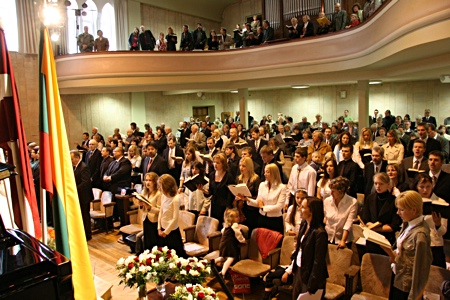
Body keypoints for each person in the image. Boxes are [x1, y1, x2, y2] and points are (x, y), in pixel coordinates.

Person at [382, 191, 432, 300]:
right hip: (398, 277)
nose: (398, 213)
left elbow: (420, 271)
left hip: (406, 287)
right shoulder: (408, 223)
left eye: (402, 210)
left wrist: (414, 297)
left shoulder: (420, 236)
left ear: (414, 210)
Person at [290, 197, 328, 300]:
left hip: (310, 276)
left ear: (312, 211)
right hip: (299, 269)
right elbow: (299, 248)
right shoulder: (304, 224)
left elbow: (318, 261)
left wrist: (312, 285)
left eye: (303, 207)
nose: (299, 209)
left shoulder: (320, 233)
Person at [362, 172, 402, 255]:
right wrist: (370, 225)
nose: (377, 186)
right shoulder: (370, 198)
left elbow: (395, 224)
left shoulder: (394, 201)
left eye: (381, 184)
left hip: (386, 239)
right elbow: (365, 218)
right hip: (371, 239)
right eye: (376, 183)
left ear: (388, 184)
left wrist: (377, 229)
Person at [413, 174, 447, 268]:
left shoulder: (440, 202)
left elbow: (443, 231)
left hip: (434, 246)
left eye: (428, 187)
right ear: (416, 187)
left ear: (432, 186)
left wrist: (438, 224)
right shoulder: (412, 202)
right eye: (422, 187)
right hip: (416, 244)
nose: (425, 190)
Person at [199, 153, 235, 228]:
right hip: (214, 204)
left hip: (224, 206)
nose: (215, 164)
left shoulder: (229, 176)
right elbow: (211, 192)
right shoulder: (212, 175)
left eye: (218, 163)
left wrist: (228, 208)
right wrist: (203, 190)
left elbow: (230, 194)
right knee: (214, 226)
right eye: (214, 162)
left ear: (223, 164)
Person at [157, 174, 186, 258]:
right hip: (162, 230)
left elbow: (175, 218)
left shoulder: (175, 199)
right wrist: (159, 227)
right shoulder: (163, 196)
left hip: (171, 231)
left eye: (161, 186)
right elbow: (161, 212)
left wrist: (166, 232)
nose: (159, 188)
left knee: (175, 255)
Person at [323, 177, 358, 249]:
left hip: (343, 238)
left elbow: (348, 223)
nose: (331, 193)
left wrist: (343, 240)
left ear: (341, 191)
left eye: (333, 191)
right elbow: (325, 218)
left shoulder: (352, 202)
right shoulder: (327, 201)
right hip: (328, 236)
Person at [103, 147, 132, 226]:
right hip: (113, 187)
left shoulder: (125, 161)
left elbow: (121, 172)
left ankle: (124, 224)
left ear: (120, 152)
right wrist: (105, 176)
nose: (113, 152)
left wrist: (110, 177)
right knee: (116, 207)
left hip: (122, 187)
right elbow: (107, 171)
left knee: (122, 207)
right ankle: (116, 222)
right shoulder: (113, 162)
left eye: (115, 151)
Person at [213, 208, 246, 278]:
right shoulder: (235, 225)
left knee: (223, 257)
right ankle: (223, 272)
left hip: (223, 242)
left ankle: (214, 261)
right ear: (232, 219)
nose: (238, 218)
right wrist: (243, 240)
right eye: (236, 217)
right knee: (231, 258)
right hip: (230, 244)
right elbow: (238, 234)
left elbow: (222, 231)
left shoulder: (226, 225)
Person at [71, 150, 93, 240]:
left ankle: (87, 235)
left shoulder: (84, 167)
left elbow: (85, 182)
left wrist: (75, 188)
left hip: (84, 196)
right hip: (79, 196)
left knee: (85, 216)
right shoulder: (75, 167)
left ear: (77, 158)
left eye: (72, 159)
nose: (71, 160)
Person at [235, 157, 260, 233]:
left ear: (249, 166)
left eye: (244, 166)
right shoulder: (238, 178)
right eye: (240, 165)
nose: (241, 168)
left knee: (249, 231)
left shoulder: (256, 179)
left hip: (251, 210)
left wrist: (246, 198)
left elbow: (257, 196)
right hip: (240, 208)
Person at [139, 172, 161, 251]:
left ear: (155, 182)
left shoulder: (159, 193)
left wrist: (150, 208)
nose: (147, 182)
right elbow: (142, 207)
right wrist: (141, 205)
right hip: (145, 218)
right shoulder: (144, 192)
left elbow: (160, 210)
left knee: (153, 242)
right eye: (146, 180)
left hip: (154, 220)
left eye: (150, 180)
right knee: (147, 241)